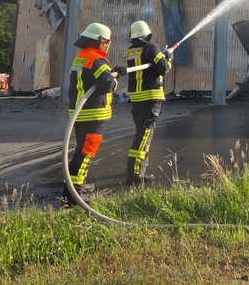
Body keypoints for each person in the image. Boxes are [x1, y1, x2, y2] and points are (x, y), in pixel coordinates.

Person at [62, 22, 124, 207]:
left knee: (80, 151)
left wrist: (112, 73)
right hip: (93, 115)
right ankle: (73, 196)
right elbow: (108, 84)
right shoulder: (97, 60)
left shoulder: (81, 57)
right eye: (106, 42)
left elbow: (93, 79)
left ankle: (76, 186)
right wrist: (116, 77)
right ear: (99, 41)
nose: (107, 45)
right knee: (85, 153)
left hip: (81, 114)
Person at [122, 20, 172, 185]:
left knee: (141, 134)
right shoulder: (151, 47)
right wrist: (168, 57)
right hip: (150, 98)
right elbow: (163, 69)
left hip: (136, 98)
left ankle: (136, 169)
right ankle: (135, 175)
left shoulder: (129, 51)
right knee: (143, 137)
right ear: (147, 34)